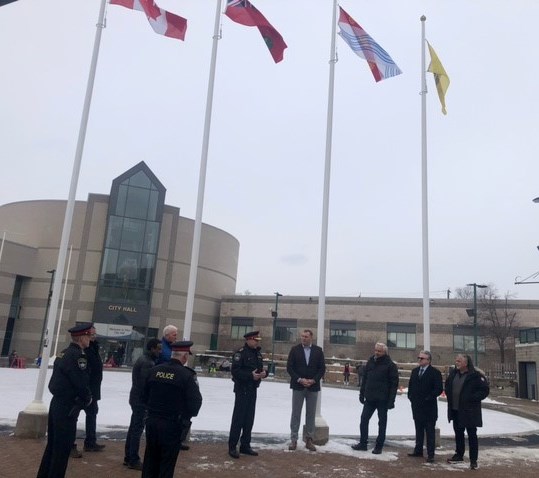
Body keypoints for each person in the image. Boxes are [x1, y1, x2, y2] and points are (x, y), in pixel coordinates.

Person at [36, 323, 94, 478]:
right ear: (82, 338)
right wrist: (87, 397)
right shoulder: (79, 356)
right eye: (88, 336)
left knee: (53, 446)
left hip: (57, 404)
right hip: (68, 406)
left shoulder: (63, 353)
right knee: (62, 449)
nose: (90, 339)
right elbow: (81, 382)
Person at [141, 340, 202, 478]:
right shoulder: (186, 376)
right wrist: (185, 416)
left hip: (152, 422)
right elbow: (195, 403)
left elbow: (143, 396)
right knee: (166, 464)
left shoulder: (154, 371)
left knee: (150, 460)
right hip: (172, 425)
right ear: (185, 357)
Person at [351, 342, 399, 455]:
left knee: (382, 423)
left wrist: (391, 401)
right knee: (363, 420)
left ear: (385, 352)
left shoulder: (390, 365)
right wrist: (362, 394)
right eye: (375, 350)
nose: (376, 352)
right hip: (370, 398)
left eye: (379, 351)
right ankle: (363, 443)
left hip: (383, 399)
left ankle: (379, 446)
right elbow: (365, 379)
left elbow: (394, 384)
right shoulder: (370, 362)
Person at [445, 354, 490, 470]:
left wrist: (472, 398)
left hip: (470, 411)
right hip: (456, 410)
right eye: (456, 360)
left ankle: (473, 460)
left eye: (459, 361)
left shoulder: (475, 376)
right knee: (458, 434)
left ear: (466, 363)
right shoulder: (453, 373)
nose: (457, 362)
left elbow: (484, 390)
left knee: (471, 435)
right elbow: (448, 386)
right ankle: (459, 454)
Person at [124, 338, 162, 470]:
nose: (160, 351)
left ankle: (128, 457)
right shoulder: (148, 363)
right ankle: (133, 459)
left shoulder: (145, 360)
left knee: (134, 427)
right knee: (137, 429)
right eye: (158, 348)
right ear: (152, 348)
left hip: (136, 398)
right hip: (141, 400)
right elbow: (145, 385)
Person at [228, 330, 267, 459]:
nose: (257, 342)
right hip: (242, 389)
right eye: (255, 340)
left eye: (258, 340)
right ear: (248, 340)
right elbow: (235, 371)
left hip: (252, 389)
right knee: (238, 418)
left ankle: (245, 444)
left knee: (249, 418)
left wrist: (263, 374)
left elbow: (260, 369)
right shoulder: (240, 353)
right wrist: (251, 376)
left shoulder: (257, 354)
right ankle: (233, 446)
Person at [286, 329, 326, 452]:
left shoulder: (318, 351)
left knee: (311, 414)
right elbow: (289, 367)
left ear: (311, 338)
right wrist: (299, 379)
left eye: (306, 336)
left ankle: (309, 439)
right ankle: (294, 439)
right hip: (298, 386)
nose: (304, 338)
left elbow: (322, 368)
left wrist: (314, 380)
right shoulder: (295, 350)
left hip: (312, 387)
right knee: (296, 413)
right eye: (302, 336)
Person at [71, 326, 105, 457]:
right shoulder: (82, 351)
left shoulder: (94, 347)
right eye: (92, 334)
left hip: (93, 389)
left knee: (92, 414)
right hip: (84, 389)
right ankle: (71, 445)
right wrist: (85, 390)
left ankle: (90, 441)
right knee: (74, 416)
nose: (94, 336)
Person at [407, 350, 443, 463]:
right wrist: (411, 396)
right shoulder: (415, 371)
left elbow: (438, 389)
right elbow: (411, 386)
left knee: (430, 432)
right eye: (419, 358)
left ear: (428, 360)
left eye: (422, 358)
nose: (419, 360)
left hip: (429, 408)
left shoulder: (435, 373)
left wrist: (428, 397)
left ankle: (430, 454)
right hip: (417, 406)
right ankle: (418, 450)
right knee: (418, 430)